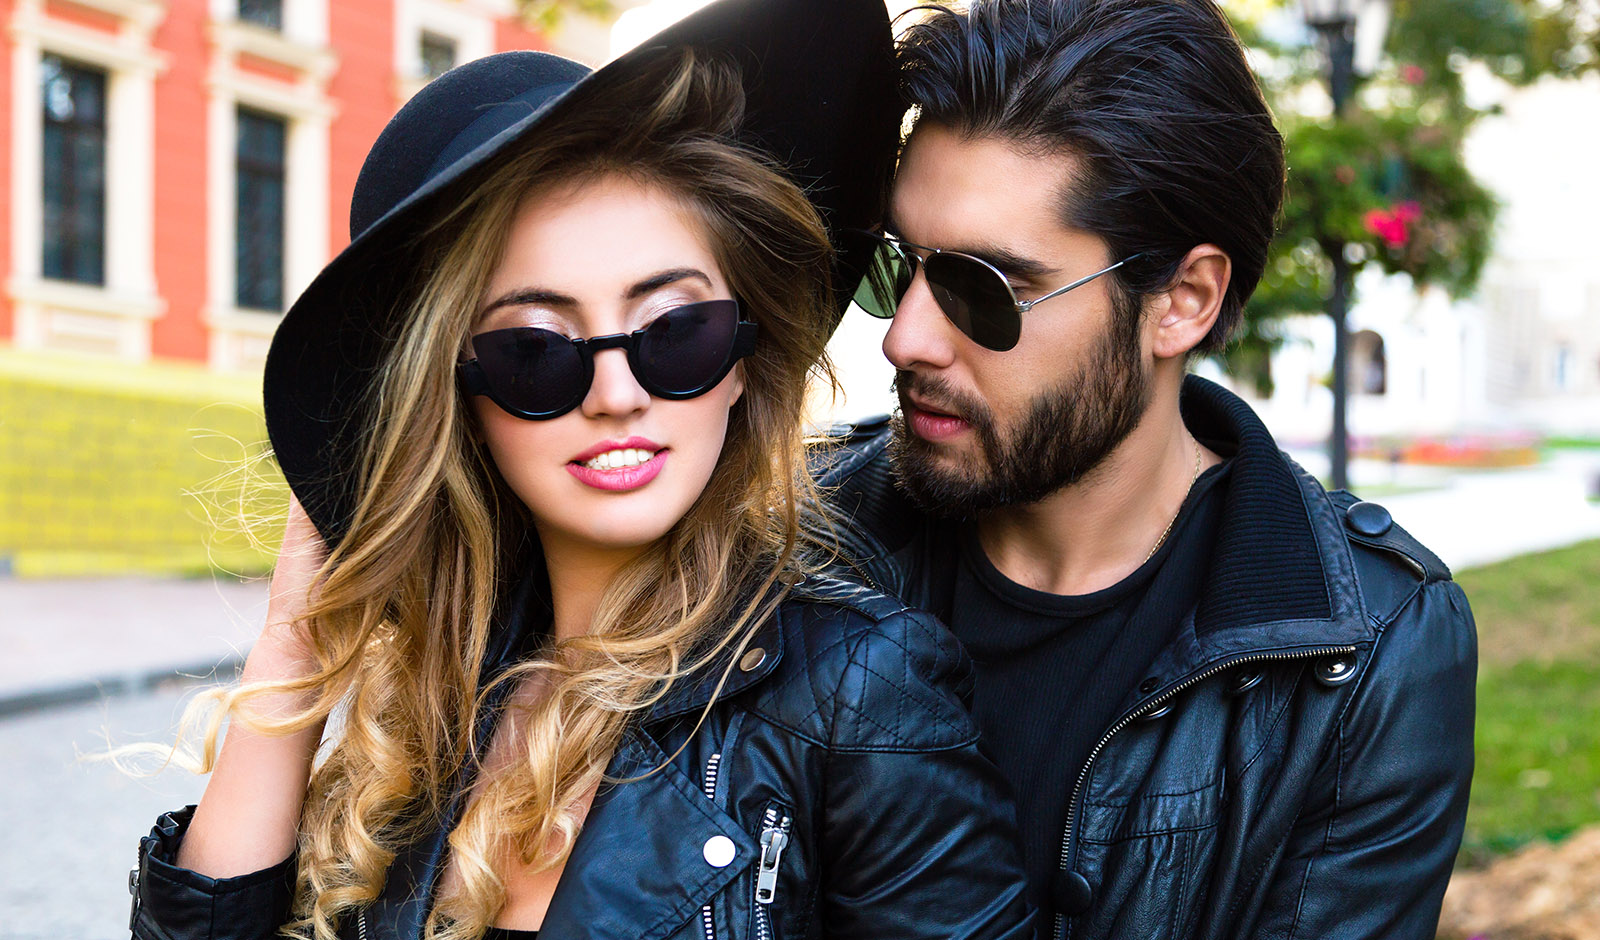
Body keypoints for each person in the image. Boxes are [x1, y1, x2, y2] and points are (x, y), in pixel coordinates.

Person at [126, 2, 1036, 939]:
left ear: (740, 366)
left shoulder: (863, 696)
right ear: (463, 400)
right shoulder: (436, 704)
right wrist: (297, 641)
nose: (614, 394)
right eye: (536, 352)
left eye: (676, 333)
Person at [815, 0, 1478, 937]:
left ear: (1182, 302)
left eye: (984, 288)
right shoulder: (801, 545)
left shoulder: (1363, 654)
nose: (906, 338)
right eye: (901, 267)